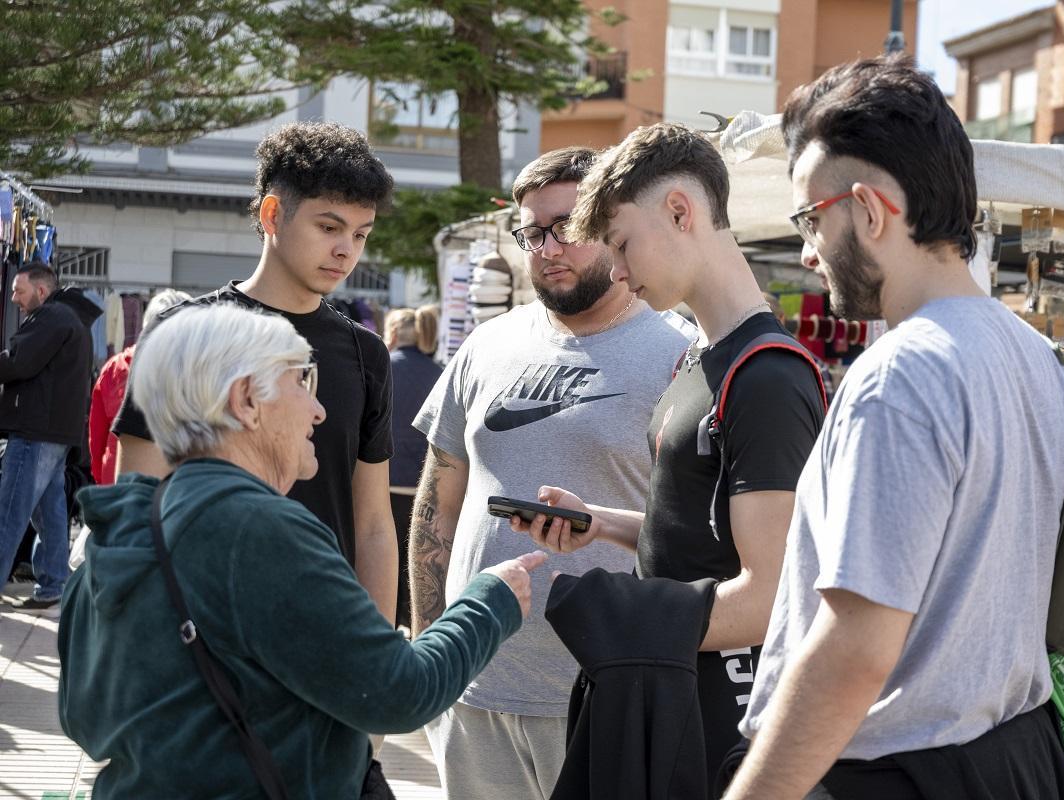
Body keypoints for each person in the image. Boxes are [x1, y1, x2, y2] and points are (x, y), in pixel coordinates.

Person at [724, 54, 1064, 799]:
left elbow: (856, 648)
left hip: (902, 774)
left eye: (808, 218)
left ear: (871, 209)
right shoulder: (1032, 353)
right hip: (1015, 759)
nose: (806, 250)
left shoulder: (901, 375)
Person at [58, 304, 546, 798]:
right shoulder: (259, 530)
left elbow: (80, 717)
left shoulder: (122, 522)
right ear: (246, 400)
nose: (318, 410)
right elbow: (398, 692)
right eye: (302, 383)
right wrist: (490, 600)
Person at [515, 123, 826, 787]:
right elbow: (697, 538)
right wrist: (599, 521)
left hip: (720, 720)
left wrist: (622, 618)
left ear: (681, 211)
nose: (618, 271)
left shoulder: (767, 376)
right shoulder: (698, 361)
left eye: (623, 244)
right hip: (674, 695)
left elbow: (770, 595)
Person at [410, 145, 694, 800]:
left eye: (565, 226)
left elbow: (699, 534)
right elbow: (438, 501)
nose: (547, 248)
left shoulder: (682, 356)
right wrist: (431, 649)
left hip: (607, 694)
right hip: (473, 689)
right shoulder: (485, 346)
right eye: (532, 232)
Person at [112, 122, 400, 627]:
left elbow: (373, 523)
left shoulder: (365, 353)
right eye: (329, 227)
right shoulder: (185, 332)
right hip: (204, 630)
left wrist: (376, 656)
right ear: (272, 214)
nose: (346, 250)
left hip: (324, 630)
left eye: (360, 234)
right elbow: (136, 499)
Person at [0, 262, 92, 611]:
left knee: (9, 511)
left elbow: (20, 362)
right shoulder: (67, 318)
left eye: (19, 291)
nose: (13, 299)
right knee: (49, 512)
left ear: (41, 290)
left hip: (36, 431)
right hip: (54, 431)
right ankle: (54, 584)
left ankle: (52, 582)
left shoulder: (52, 319)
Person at [88, 289, 192, 486]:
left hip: (117, 482)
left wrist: (101, 477)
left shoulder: (114, 367)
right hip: (172, 491)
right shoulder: (196, 374)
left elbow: (97, 438)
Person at [385, 303, 441, 627]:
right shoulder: (439, 372)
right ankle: (415, 623)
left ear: (392, 333)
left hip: (385, 479)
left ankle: (387, 624)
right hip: (424, 483)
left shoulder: (383, 367)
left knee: (385, 556)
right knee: (418, 561)